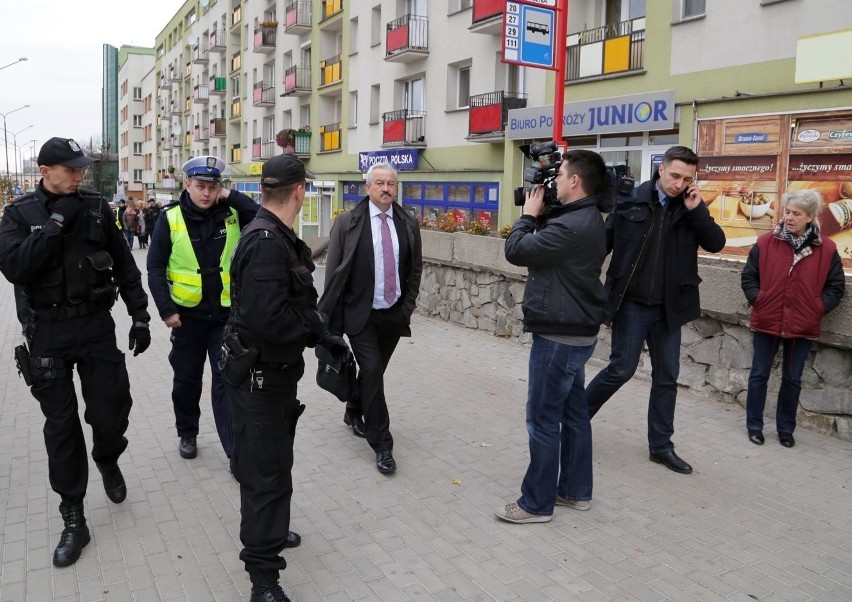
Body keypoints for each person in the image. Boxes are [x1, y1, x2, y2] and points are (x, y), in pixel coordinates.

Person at [0, 137, 151, 567]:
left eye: (82, 168)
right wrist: (56, 225)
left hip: (95, 326)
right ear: (46, 170)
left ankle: (107, 457)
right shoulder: (17, 214)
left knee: (111, 411)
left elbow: (124, 265)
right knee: (61, 428)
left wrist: (139, 316)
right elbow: (14, 268)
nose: (79, 175)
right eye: (71, 169)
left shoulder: (97, 207)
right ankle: (74, 517)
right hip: (47, 331)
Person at [224, 154, 341, 601]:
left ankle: (271, 532)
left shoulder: (274, 236)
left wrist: (320, 332)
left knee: (273, 467)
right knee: (265, 477)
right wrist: (316, 332)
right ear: (299, 192)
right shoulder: (267, 242)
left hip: (271, 377)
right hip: (259, 379)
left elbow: (285, 307)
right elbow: (268, 320)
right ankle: (263, 580)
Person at [585, 145, 726, 474]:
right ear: (661, 169)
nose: (679, 183)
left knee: (667, 378)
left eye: (687, 178)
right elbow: (601, 245)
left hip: (670, 309)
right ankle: (574, 418)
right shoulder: (630, 200)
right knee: (621, 370)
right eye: (675, 175)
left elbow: (717, 243)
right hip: (632, 304)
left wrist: (698, 210)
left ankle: (661, 446)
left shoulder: (690, 210)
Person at [496, 149, 610, 523]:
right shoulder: (587, 217)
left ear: (575, 180)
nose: (554, 181)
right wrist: (545, 215)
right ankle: (576, 491)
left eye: (559, 175)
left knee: (542, 419)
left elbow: (516, 251)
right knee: (574, 414)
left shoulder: (569, 226)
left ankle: (536, 503)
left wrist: (528, 217)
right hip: (576, 331)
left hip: (559, 336)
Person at [147, 156, 258, 460]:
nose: (207, 193)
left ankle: (233, 448)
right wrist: (166, 309)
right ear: (187, 185)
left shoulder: (232, 213)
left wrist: (232, 195)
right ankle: (187, 432)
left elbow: (263, 215)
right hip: (186, 317)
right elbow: (154, 268)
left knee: (226, 380)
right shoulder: (169, 219)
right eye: (200, 186)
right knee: (186, 379)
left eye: (213, 187)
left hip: (225, 316)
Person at [320, 162, 422, 474]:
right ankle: (382, 444)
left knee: (373, 375)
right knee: (374, 371)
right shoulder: (349, 222)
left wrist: (406, 307)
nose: (386, 189)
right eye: (379, 183)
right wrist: (330, 321)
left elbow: (415, 268)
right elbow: (334, 274)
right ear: (367, 188)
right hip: (359, 314)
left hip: (392, 315)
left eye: (391, 183)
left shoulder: (407, 223)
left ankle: (353, 411)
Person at [741, 189, 845, 448]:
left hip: (802, 323)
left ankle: (786, 429)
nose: (788, 217)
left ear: (810, 216)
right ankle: (754, 426)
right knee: (759, 375)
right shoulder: (766, 242)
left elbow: (836, 287)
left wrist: (817, 308)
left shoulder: (827, 248)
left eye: (796, 213)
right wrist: (760, 299)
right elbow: (748, 277)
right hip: (768, 318)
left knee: (792, 379)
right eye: (787, 211)